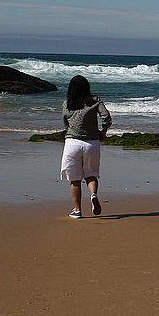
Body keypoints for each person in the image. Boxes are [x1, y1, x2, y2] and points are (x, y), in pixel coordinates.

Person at [60, 75, 111, 218]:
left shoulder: (67, 104)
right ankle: (93, 194)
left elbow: (66, 123)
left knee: (74, 179)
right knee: (91, 174)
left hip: (72, 143)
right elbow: (106, 117)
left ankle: (77, 210)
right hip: (91, 143)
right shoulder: (95, 101)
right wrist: (103, 131)